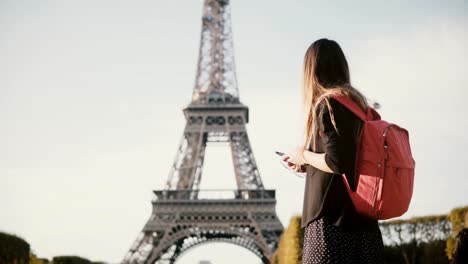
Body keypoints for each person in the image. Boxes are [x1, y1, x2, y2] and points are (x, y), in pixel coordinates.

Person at [282, 38, 384, 263]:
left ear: (311, 71)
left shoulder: (328, 105)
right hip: (364, 222)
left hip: (331, 225)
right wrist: (307, 164)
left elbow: (337, 161)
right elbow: (347, 157)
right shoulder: (361, 110)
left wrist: (303, 154)